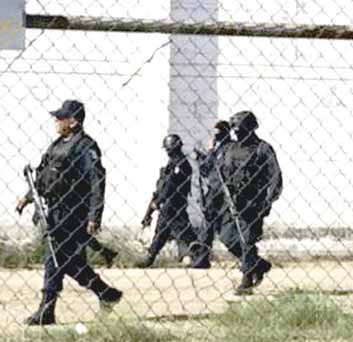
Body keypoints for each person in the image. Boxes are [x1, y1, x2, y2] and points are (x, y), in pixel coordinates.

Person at [15, 100, 123, 326]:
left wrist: (94, 216)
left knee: (53, 256)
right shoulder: (56, 146)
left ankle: (47, 310)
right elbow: (44, 178)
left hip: (73, 211)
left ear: (73, 122)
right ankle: (106, 293)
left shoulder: (85, 146)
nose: (56, 121)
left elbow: (97, 182)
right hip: (54, 210)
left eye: (61, 117)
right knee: (69, 261)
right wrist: (27, 198)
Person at [216, 111, 282, 294]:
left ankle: (246, 281)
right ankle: (258, 264)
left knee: (247, 241)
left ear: (250, 129)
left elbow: (275, 177)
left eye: (241, 130)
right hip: (232, 202)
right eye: (235, 130)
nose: (237, 133)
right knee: (227, 238)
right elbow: (220, 171)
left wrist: (268, 201)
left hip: (253, 203)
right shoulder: (229, 148)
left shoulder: (262, 149)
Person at [138, 134, 209, 269]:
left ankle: (200, 255)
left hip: (174, 203)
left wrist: (159, 201)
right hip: (169, 204)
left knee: (183, 232)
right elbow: (163, 185)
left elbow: (170, 186)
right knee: (162, 232)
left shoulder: (180, 164)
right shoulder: (174, 164)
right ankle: (150, 258)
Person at [192, 120, 234, 268]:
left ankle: (246, 257)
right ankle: (202, 258)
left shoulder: (228, 149)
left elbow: (209, 168)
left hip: (224, 193)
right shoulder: (218, 150)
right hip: (214, 192)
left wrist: (210, 151)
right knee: (208, 226)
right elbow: (205, 170)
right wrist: (205, 155)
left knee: (224, 227)